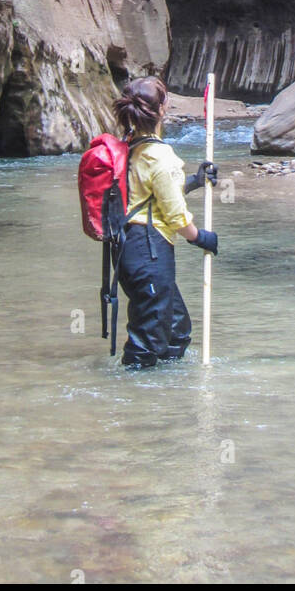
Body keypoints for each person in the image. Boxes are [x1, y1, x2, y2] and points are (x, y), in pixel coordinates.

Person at [113, 76, 219, 370]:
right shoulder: (160, 156)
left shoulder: (129, 148)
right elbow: (175, 218)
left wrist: (195, 182)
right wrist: (202, 238)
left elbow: (147, 195)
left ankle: (167, 397)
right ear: (161, 110)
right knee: (147, 341)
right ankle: (132, 397)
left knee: (175, 330)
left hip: (127, 251)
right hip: (149, 253)